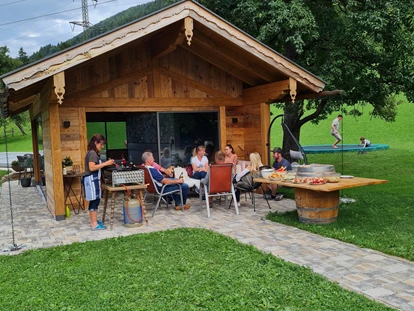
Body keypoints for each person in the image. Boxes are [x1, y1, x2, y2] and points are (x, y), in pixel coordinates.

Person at [83, 134, 115, 230]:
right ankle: (94, 224)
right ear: (96, 143)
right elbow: (92, 167)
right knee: (94, 201)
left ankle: (94, 221)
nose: (102, 146)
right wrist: (106, 163)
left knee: (95, 201)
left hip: (93, 180)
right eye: (101, 144)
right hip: (91, 180)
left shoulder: (92, 152)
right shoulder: (92, 153)